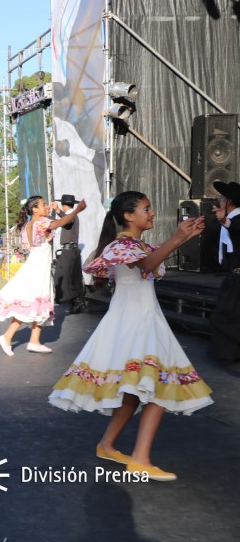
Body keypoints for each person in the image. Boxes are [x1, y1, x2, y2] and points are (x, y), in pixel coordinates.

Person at [49, 191, 214, 481]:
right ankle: (139, 458)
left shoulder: (135, 245)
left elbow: (150, 262)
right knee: (159, 384)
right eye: (146, 209)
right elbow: (147, 266)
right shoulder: (121, 245)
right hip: (134, 321)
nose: (151, 213)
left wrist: (183, 237)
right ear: (128, 216)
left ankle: (107, 445)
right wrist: (177, 238)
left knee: (137, 389)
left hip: (142, 318)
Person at [0, 195, 86, 355]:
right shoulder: (41, 222)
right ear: (34, 209)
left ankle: (34, 340)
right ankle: (8, 336)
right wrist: (78, 210)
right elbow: (60, 223)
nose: (46, 206)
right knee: (32, 300)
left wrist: (56, 211)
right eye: (43, 204)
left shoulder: (30, 224)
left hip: (38, 264)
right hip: (38, 267)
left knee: (37, 303)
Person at [209, 180, 240, 362]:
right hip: (233, 276)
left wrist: (225, 220)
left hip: (237, 279)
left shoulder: (235, 220)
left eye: (221, 197)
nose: (218, 199)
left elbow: (236, 227)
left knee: (225, 316)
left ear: (228, 201)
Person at [53, 194, 88, 314]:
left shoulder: (71, 215)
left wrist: (58, 211)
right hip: (69, 250)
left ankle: (74, 300)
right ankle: (76, 302)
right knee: (71, 277)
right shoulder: (69, 215)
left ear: (64, 205)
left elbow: (68, 221)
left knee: (63, 276)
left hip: (70, 250)